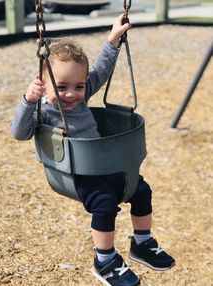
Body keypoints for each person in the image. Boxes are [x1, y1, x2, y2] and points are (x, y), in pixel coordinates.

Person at [11, 14, 175, 286]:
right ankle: (104, 260)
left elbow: (101, 69)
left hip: (103, 165)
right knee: (105, 204)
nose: (71, 94)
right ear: (43, 82)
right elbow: (19, 133)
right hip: (77, 173)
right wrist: (29, 100)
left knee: (141, 190)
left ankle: (142, 243)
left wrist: (113, 40)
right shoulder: (44, 111)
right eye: (61, 87)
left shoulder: (82, 96)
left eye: (79, 86)